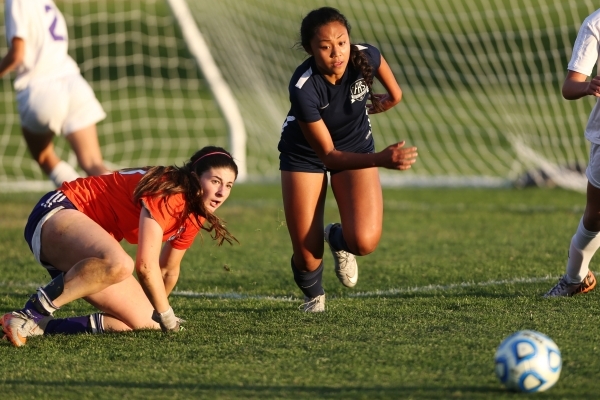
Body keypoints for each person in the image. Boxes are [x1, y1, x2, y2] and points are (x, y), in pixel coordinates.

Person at [1, 146, 238, 347]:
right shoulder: (171, 192)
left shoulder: (195, 211)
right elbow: (146, 266)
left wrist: (157, 312)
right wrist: (167, 316)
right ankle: (27, 315)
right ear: (195, 177)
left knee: (146, 322)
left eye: (228, 185)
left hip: (83, 244)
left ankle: (40, 327)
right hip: (57, 213)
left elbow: (167, 270)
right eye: (215, 181)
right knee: (120, 264)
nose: (221, 192)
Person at [278, 7, 418, 312]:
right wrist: (381, 159)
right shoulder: (303, 87)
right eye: (325, 46)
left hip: (355, 145)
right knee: (306, 255)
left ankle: (337, 238)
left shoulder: (365, 56)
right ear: (309, 49)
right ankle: (314, 296)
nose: (336, 52)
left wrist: (390, 99)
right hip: (305, 155)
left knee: (364, 242)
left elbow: (394, 93)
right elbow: (328, 156)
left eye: (342, 42)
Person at [0, 0, 109, 187]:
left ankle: (80, 200)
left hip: (40, 89)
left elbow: (18, 54)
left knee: (44, 156)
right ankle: (130, 206)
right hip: (74, 85)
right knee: (94, 164)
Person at [544, 9, 600, 297]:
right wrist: (588, 86)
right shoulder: (596, 24)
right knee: (595, 216)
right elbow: (569, 86)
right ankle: (575, 277)